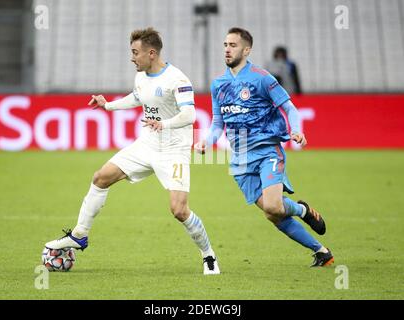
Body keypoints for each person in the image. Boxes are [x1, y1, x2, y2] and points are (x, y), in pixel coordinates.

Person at [45, 27, 220, 275]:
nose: (132, 57)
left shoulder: (178, 79)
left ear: (151, 53)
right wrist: (108, 105)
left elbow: (189, 114)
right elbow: (137, 98)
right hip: (146, 144)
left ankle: (208, 255)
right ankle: (79, 235)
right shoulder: (141, 76)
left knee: (179, 210)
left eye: (135, 52)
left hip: (174, 151)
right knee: (100, 177)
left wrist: (164, 124)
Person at [195, 27, 333, 267]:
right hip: (240, 158)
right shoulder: (219, 84)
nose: (227, 49)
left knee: (272, 204)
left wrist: (297, 130)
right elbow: (218, 121)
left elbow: (289, 107)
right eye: (225, 44)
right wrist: (207, 141)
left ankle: (302, 210)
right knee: (273, 214)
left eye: (233, 45)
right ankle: (321, 252)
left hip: (267, 149)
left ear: (246, 50)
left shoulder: (262, 78)